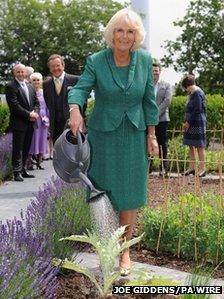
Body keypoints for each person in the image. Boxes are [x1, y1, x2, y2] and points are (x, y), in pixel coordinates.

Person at [68, 8, 159, 275]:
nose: (124, 36)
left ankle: (125, 251)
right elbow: (81, 88)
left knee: (130, 193)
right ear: (112, 33)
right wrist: (75, 109)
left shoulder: (144, 60)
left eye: (130, 31)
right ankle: (107, 248)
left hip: (133, 134)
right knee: (103, 193)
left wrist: (151, 135)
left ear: (136, 36)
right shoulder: (97, 60)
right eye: (120, 30)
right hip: (103, 136)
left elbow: (149, 101)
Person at [5, 63, 39, 181]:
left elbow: (36, 102)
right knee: (17, 148)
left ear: (26, 73)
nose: (21, 74)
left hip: (31, 123)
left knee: (26, 147)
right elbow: (14, 105)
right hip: (19, 123)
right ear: (14, 73)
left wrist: (35, 112)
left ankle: (23, 169)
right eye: (18, 72)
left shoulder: (30, 86)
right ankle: (16, 172)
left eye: (22, 71)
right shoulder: (10, 86)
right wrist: (29, 114)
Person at [43, 54, 80, 143]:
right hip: (55, 124)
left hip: (72, 122)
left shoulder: (75, 80)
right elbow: (47, 102)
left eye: (58, 65)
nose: (55, 68)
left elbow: (82, 100)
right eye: (52, 66)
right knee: (58, 150)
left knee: (73, 150)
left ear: (63, 66)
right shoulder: (46, 84)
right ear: (50, 68)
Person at [182, 74, 206, 177]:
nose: (186, 90)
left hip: (197, 122)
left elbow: (197, 110)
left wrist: (188, 122)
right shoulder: (192, 93)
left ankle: (202, 169)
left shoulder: (197, 93)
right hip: (190, 123)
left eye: (186, 88)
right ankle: (191, 168)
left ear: (188, 85)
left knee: (199, 146)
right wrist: (185, 121)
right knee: (191, 145)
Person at [152, 61, 172, 175]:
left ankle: (163, 167)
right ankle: (148, 167)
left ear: (160, 71)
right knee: (148, 142)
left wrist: (156, 114)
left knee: (161, 143)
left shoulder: (166, 85)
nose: (155, 73)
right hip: (148, 120)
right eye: (153, 71)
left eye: (156, 70)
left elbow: (167, 101)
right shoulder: (147, 85)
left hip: (162, 119)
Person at [29, 72, 49, 169]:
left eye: (38, 80)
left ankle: (39, 162)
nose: (36, 82)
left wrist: (48, 118)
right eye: (34, 80)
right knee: (32, 140)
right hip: (33, 119)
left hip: (43, 120)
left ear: (41, 81)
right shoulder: (29, 91)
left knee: (42, 140)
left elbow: (48, 106)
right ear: (31, 81)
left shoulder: (44, 92)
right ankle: (29, 162)